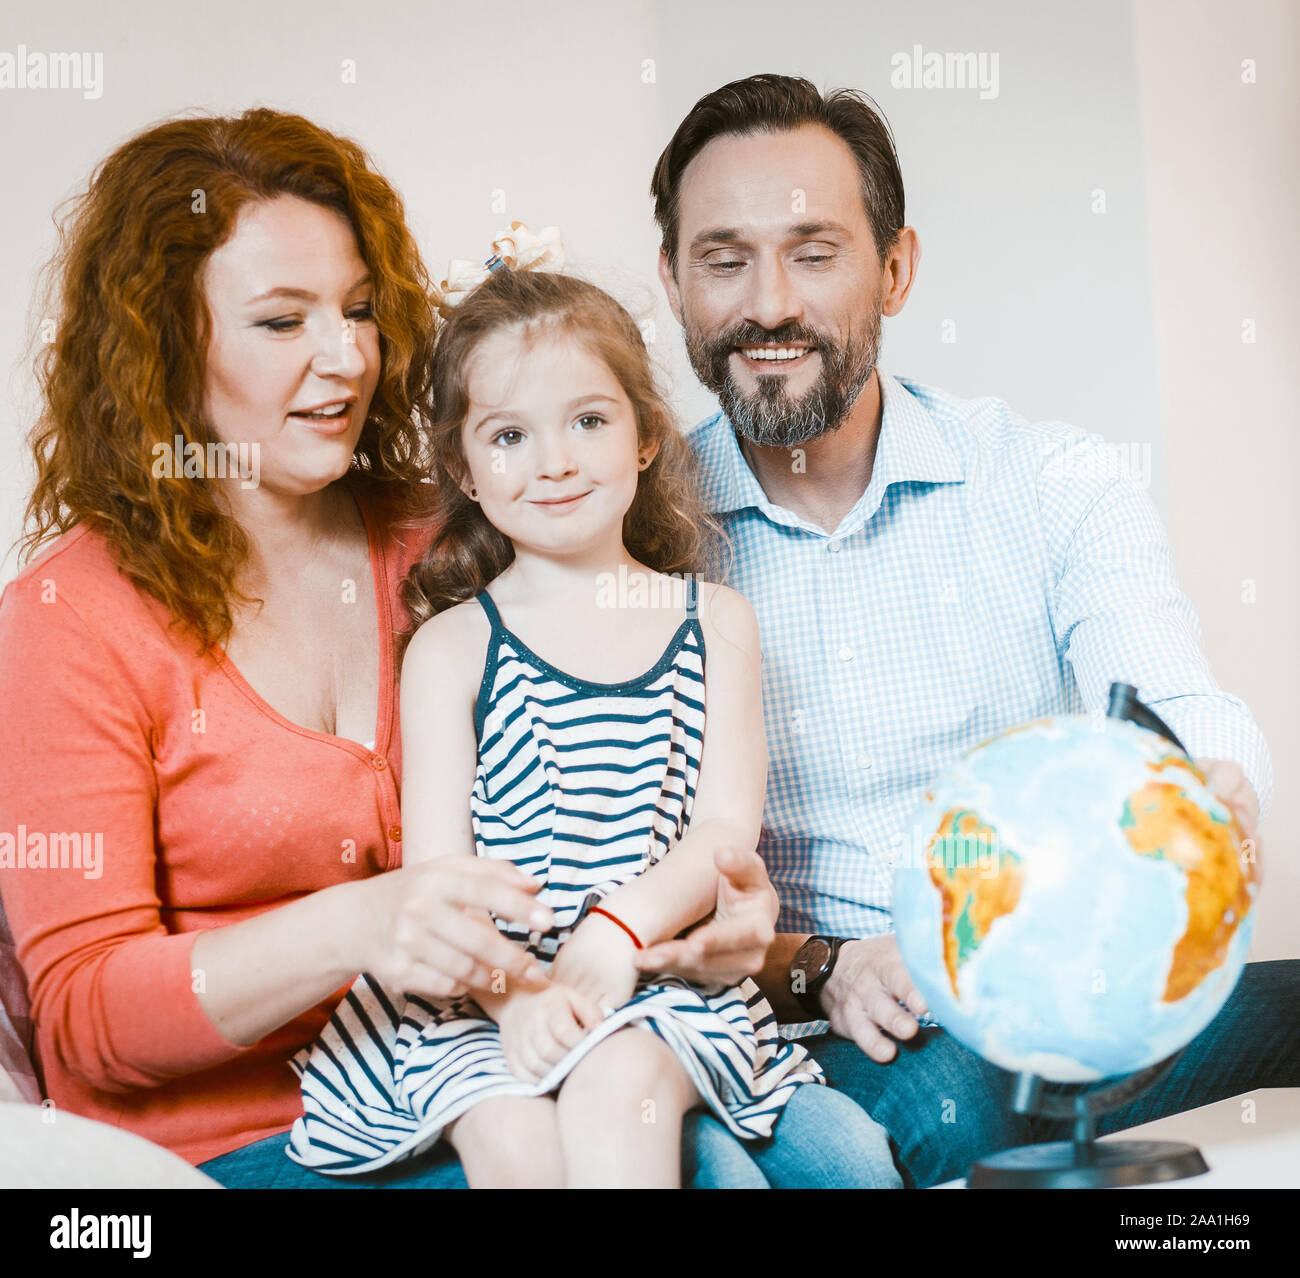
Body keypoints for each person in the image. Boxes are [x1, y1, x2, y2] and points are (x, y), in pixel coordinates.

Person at [0, 107, 792, 1191]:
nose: (346, 357)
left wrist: (735, 926)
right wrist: (358, 927)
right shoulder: (69, 619)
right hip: (241, 1142)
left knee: (811, 1152)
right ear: (162, 344)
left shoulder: (452, 532)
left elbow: (635, 810)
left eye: (360, 310)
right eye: (282, 323)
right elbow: (84, 1017)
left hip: (526, 1051)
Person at [644, 72, 1300, 1188]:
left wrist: (1209, 794)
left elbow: (1168, 696)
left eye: (813, 251)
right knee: (928, 1118)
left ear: (895, 269)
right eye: (723, 258)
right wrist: (830, 972)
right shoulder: (632, 546)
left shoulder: (1052, 481)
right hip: (843, 1038)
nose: (766, 303)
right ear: (671, 281)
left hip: (1063, 963)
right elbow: (622, 896)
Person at [285, 259, 901, 1189]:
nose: (556, 461)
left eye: (588, 420)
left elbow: (723, 837)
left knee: (621, 1085)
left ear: (646, 436)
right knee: (511, 1133)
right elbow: (439, 885)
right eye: (508, 436)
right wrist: (516, 994)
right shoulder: (453, 648)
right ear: (463, 467)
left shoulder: (715, 623)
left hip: (657, 977)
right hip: (483, 994)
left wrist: (617, 933)